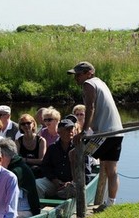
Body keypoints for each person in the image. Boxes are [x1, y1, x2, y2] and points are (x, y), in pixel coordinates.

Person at [69, 61, 124, 207]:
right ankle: (110, 203)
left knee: (74, 154)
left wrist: (84, 131)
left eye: (79, 75)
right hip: (117, 132)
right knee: (110, 169)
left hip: (105, 134)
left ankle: (77, 190)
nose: (77, 78)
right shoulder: (101, 83)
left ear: (89, 73)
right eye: (75, 75)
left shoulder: (89, 84)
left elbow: (90, 107)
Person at [0, 138, 40, 218]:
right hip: (19, 209)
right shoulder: (16, 165)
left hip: (26, 211)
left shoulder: (15, 172)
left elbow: (7, 197)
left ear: (3, 155)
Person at [35, 119, 76, 199]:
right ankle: (40, 209)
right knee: (37, 184)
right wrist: (54, 180)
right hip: (54, 182)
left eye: (72, 129)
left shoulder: (78, 148)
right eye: (67, 129)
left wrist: (71, 182)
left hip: (73, 184)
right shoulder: (52, 148)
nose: (70, 132)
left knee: (74, 188)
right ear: (59, 132)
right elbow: (45, 167)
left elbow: (86, 171)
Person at [15, 113, 47, 177]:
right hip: (23, 169)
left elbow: (41, 160)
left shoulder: (41, 140)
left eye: (28, 123)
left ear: (33, 124)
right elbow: (16, 159)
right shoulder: (18, 141)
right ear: (20, 126)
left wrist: (25, 160)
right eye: (23, 124)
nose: (26, 125)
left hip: (37, 170)